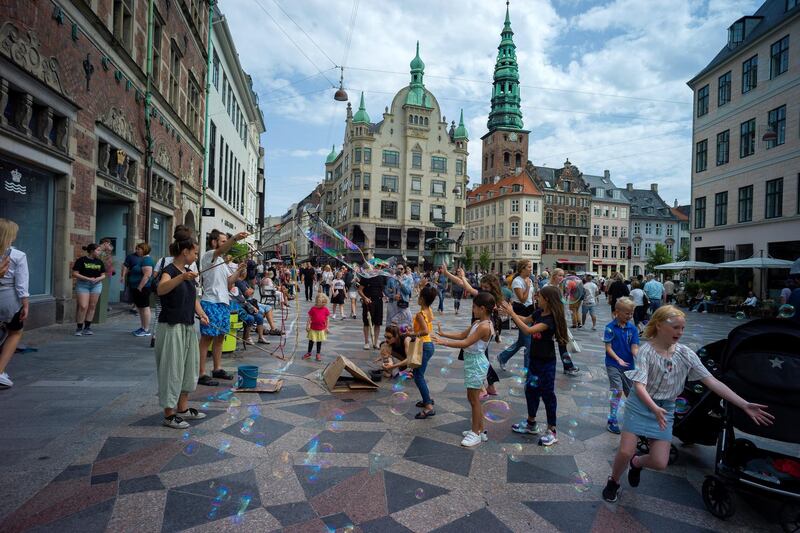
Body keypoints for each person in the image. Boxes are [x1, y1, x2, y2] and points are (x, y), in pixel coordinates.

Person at [602, 305, 774, 502]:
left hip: (665, 407)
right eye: (675, 327)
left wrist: (744, 404)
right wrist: (653, 407)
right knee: (625, 450)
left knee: (659, 462)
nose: (680, 332)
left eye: (682, 328)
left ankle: (637, 463)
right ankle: (614, 481)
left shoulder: (685, 354)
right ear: (659, 325)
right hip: (640, 404)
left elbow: (713, 381)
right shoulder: (646, 351)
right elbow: (639, 385)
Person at [154, 230, 210, 429]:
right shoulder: (169, 270)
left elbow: (193, 298)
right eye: (194, 253)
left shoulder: (188, 273)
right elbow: (161, 289)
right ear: (185, 252)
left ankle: (183, 408)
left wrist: (202, 314)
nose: (196, 256)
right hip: (171, 327)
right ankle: (169, 415)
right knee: (172, 369)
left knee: (188, 369)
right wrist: (182, 277)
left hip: (187, 326)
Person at [501, 285, 568, 447]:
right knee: (530, 390)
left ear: (547, 300)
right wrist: (510, 313)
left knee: (547, 395)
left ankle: (552, 430)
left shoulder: (550, 319)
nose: (536, 298)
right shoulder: (539, 313)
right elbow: (525, 320)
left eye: (539, 297)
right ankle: (531, 424)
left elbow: (528, 330)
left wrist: (511, 314)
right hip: (535, 359)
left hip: (547, 362)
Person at [433, 291, 496, 447]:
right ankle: (480, 430)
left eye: (474, 307)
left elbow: (466, 343)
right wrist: (444, 333)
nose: (472, 309)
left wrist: (443, 342)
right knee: (472, 398)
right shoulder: (477, 323)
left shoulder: (484, 326)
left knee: (474, 400)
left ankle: (475, 433)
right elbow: (462, 335)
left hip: (476, 363)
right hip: (472, 362)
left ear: (482, 308)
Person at [441, 264, 503, 397]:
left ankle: (482, 387)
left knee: (479, 356)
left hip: (483, 327)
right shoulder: (488, 297)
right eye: (483, 287)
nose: (484, 290)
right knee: (481, 356)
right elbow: (462, 283)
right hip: (478, 323)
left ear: (493, 287)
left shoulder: (487, 297)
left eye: (486, 287)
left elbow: (467, 286)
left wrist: (462, 277)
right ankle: (489, 386)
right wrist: (448, 274)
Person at [198, 229, 248, 386]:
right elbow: (221, 250)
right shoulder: (210, 255)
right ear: (214, 242)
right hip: (210, 302)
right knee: (207, 339)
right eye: (222, 241)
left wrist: (239, 271)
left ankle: (217, 369)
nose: (225, 244)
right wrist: (234, 238)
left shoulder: (221, 261)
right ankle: (201, 373)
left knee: (220, 337)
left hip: (223, 302)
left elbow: (229, 282)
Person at [383, 286, 438, 418]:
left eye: (419, 296)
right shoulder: (429, 310)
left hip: (423, 345)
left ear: (422, 299)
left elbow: (425, 331)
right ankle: (426, 399)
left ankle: (429, 407)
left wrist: (411, 333)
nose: (417, 298)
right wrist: (411, 331)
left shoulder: (420, 314)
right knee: (420, 375)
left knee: (418, 376)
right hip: (428, 345)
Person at [603, 297, 639, 434]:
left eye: (631, 313)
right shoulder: (610, 328)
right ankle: (612, 419)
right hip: (613, 364)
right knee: (617, 390)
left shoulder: (633, 329)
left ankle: (632, 418)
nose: (630, 316)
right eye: (627, 313)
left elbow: (634, 347)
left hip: (629, 366)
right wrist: (618, 359)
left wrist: (639, 356)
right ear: (617, 312)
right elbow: (608, 348)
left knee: (631, 393)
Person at [0, 219, 28, 389]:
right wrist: (25, 303)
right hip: (9, 298)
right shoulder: (18, 255)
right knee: (15, 332)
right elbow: (22, 283)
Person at [496, 260, 534, 371]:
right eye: (529, 267)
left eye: (531, 267)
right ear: (522, 269)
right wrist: (527, 287)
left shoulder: (530, 280)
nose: (531, 269)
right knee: (528, 343)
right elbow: (522, 299)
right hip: (521, 312)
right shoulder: (517, 281)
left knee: (522, 341)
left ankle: (502, 357)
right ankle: (528, 369)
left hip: (530, 311)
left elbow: (531, 298)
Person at [548, 269, 580, 375]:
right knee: (549, 343)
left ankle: (568, 366)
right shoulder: (548, 287)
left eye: (563, 275)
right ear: (553, 276)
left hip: (560, 318)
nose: (562, 278)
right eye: (559, 275)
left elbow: (561, 303)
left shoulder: (559, 288)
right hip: (551, 318)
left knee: (562, 342)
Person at [72, 243, 106, 336]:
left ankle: (87, 327)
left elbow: (103, 275)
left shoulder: (99, 262)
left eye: (100, 250)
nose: (99, 252)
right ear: (92, 251)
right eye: (98, 250)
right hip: (83, 284)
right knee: (83, 306)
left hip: (96, 285)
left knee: (92, 306)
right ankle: (79, 328)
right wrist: (87, 279)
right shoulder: (81, 260)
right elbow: (75, 273)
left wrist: (98, 279)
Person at [124, 243, 155, 336]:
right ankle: (143, 327)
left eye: (139, 249)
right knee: (140, 308)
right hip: (138, 287)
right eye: (136, 249)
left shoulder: (147, 260)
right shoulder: (143, 259)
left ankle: (146, 329)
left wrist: (139, 287)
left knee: (144, 307)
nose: (137, 251)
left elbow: (147, 275)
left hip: (143, 288)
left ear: (144, 250)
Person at [357, 271, 386, 350]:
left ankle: (375, 342)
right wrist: (365, 298)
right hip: (368, 301)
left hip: (379, 301)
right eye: (376, 267)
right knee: (367, 322)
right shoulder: (366, 277)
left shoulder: (381, 277)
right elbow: (360, 290)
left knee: (378, 323)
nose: (378, 268)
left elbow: (383, 290)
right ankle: (366, 342)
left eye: (379, 267)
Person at [304, 293, 330, 361]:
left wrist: (327, 327)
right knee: (311, 341)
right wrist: (307, 325)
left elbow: (327, 319)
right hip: (313, 328)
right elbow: (309, 318)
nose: (321, 304)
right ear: (316, 301)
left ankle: (318, 353)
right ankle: (309, 353)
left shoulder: (325, 309)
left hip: (321, 329)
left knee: (319, 342)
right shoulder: (313, 309)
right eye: (319, 303)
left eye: (322, 303)